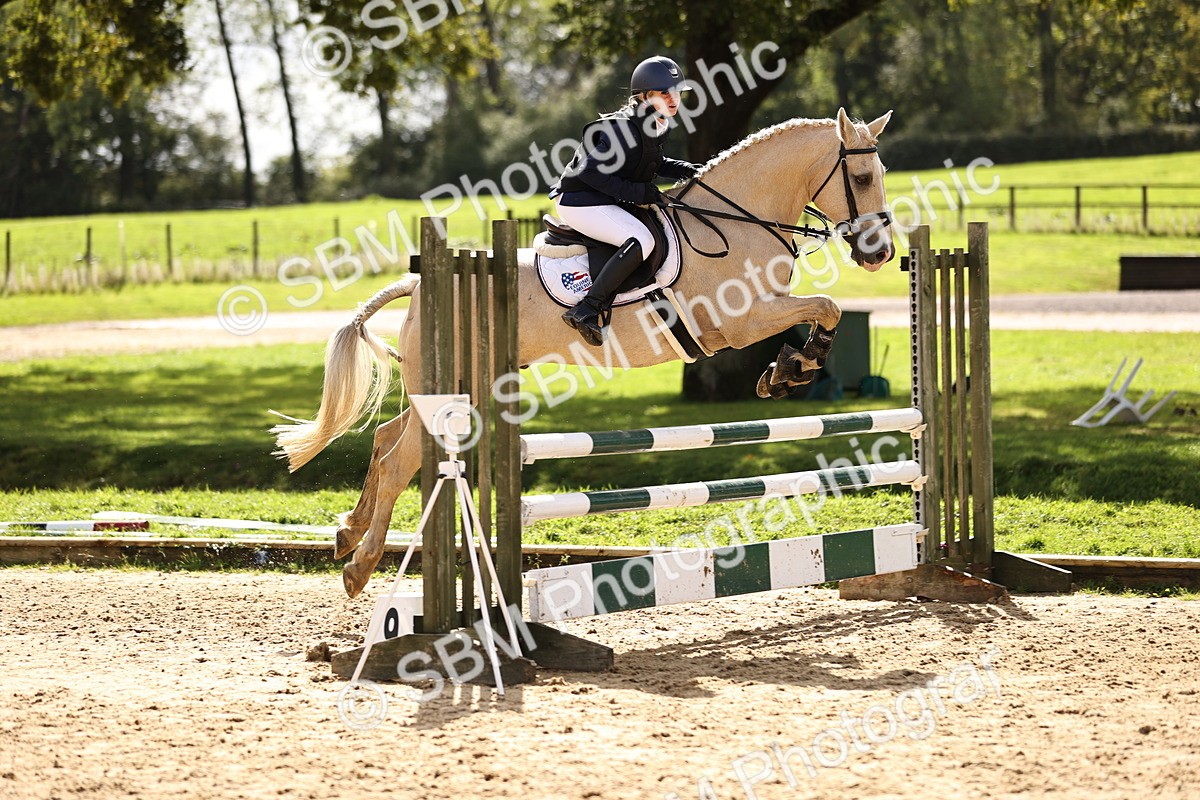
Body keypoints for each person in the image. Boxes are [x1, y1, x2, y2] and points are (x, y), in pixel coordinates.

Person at [549, 56, 701, 346]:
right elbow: (590, 172)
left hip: (601, 198)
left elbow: (652, 162)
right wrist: (638, 194)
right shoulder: (621, 129)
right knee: (641, 240)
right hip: (579, 199)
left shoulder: (656, 125)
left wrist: (692, 170)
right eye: (665, 92)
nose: (674, 99)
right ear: (644, 96)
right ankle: (587, 309)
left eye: (677, 92)